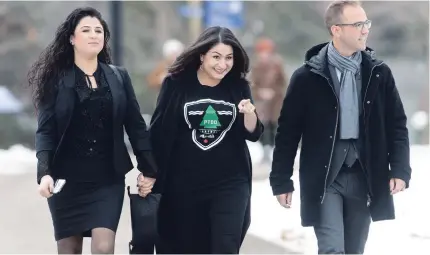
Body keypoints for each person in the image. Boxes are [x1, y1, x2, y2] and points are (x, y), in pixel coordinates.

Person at [269, 1, 411, 254]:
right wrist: (281, 180)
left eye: (366, 23)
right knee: (332, 249)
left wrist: (400, 168)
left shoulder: (379, 73)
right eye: (358, 24)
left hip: (365, 174)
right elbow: (288, 132)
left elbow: (397, 124)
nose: (365, 29)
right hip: (325, 177)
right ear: (336, 29)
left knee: (354, 250)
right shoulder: (307, 77)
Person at [28, 7, 157, 254]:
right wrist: (44, 173)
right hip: (65, 181)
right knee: (70, 251)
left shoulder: (119, 78)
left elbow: (136, 126)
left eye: (98, 30)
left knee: (104, 247)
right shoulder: (56, 80)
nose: (94, 35)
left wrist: (149, 169)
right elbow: (46, 131)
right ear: (72, 38)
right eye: (86, 30)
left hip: (107, 180)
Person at [146, 26, 264, 254]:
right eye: (216, 57)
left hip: (230, 183)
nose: (223, 64)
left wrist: (249, 113)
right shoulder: (177, 84)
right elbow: (160, 131)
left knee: (225, 246)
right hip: (183, 185)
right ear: (202, 56)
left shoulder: (238, 86)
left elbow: (253, 133)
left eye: (229, 58)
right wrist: (150, 172)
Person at [249, 37, 288, 162]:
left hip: (276, 103)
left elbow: (283, 83)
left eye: (266, 52)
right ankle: (265, 152)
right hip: (261, 104)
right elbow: (251, 84)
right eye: (262, 52)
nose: (264, 55)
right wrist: (260, 92)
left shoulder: (277, 64)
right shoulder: (256, 66)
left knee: (275, 127)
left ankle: (276, 153)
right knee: (261, 128)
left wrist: (273, 92)